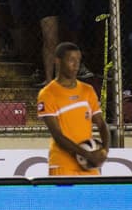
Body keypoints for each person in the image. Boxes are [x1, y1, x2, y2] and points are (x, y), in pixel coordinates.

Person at [37, 42, 109, 176]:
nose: (76, 65)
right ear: (58, 61)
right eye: (71, 60)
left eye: (78, 60)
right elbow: (57, 136)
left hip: (88, 165)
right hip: (62, 164)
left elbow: (101, 123)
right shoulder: (47, 94)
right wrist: (86, 154)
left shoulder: (88, 90)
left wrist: (104, 151)